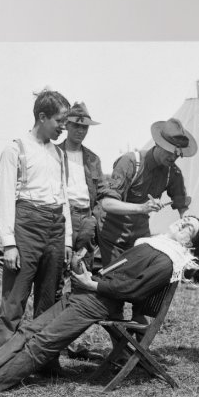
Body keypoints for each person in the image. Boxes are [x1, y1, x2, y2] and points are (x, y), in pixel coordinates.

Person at [0, 216, 199, 397]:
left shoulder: (168, 260)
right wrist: (86, 275)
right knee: (28, 331)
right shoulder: (155, 244)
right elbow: (118, 274)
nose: (182, 223)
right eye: (185, 219)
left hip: (97, 301)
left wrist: (93, 284)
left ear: (189, 242)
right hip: (86, 293)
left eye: (189, 228)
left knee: (41, 344)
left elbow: (132, 290)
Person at [0, 89, 72, 352]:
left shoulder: (58, 154)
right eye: (59, 121)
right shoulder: (15, 149)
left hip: (55, 228)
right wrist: (9, 243)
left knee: (49, 302)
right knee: (14, 301)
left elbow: (63, 197)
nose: (63, 127)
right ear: (42, 116)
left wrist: (67, 240)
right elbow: (4, 197)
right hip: (27, 226)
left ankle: (43, 362)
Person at [97, 118, 195, 266]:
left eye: (177, 154)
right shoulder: (130, 162)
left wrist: (188, 227)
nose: (173, 157)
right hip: (113, 235)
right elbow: (107, 203)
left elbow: (182, 205)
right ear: (158, 144)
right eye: (170, 152)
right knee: (116, 276)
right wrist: (142, 208)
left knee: (142, 275)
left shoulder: (173, 173)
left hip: (140, 236)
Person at [57, 101, 120, 273]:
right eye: (76, 125)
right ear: (66, 125)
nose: (80, 131)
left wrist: (94, 220)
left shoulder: (93, 159)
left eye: (84, 127)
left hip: (86, 218)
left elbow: (102, 190)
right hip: (62, 217)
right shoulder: (54, 153)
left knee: (83, 269)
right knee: (58, 269)